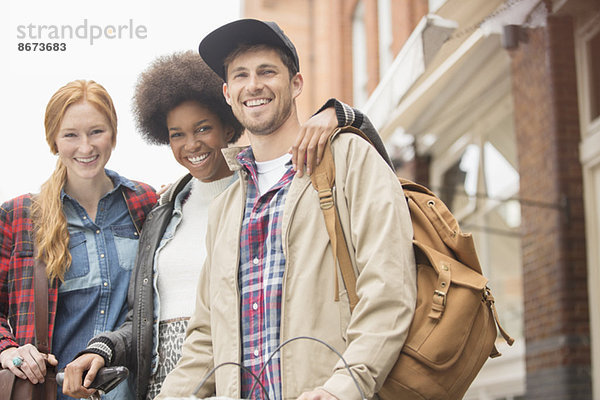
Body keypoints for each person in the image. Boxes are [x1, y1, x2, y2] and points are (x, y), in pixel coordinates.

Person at [62, 51, 385, 400]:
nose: (191, 143)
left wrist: (340, 114)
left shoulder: (273, 183)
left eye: (203, 128)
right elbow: (151, 318)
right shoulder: (163, 210)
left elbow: (383, 279)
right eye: (177, 135)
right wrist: (106, 346)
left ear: (227, 125)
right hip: (176, 377)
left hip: (293, 374)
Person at [156, 19, 417, 400]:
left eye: (267, 72)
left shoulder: (349, 159)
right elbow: (207, 336)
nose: (254, 85)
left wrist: (344, 387)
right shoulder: (227, 206)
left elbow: (389, 288)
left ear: (296, 84)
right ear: (228, 94)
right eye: (241, 76)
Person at [0, 80, 158, 400]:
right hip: (50, 393)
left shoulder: (145, 203)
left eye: (96, 132)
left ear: (113, 134)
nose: (85, 147)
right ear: (53, 140)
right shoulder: (18, 216)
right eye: (71, 135)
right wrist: (8, 350)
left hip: (129, 393)